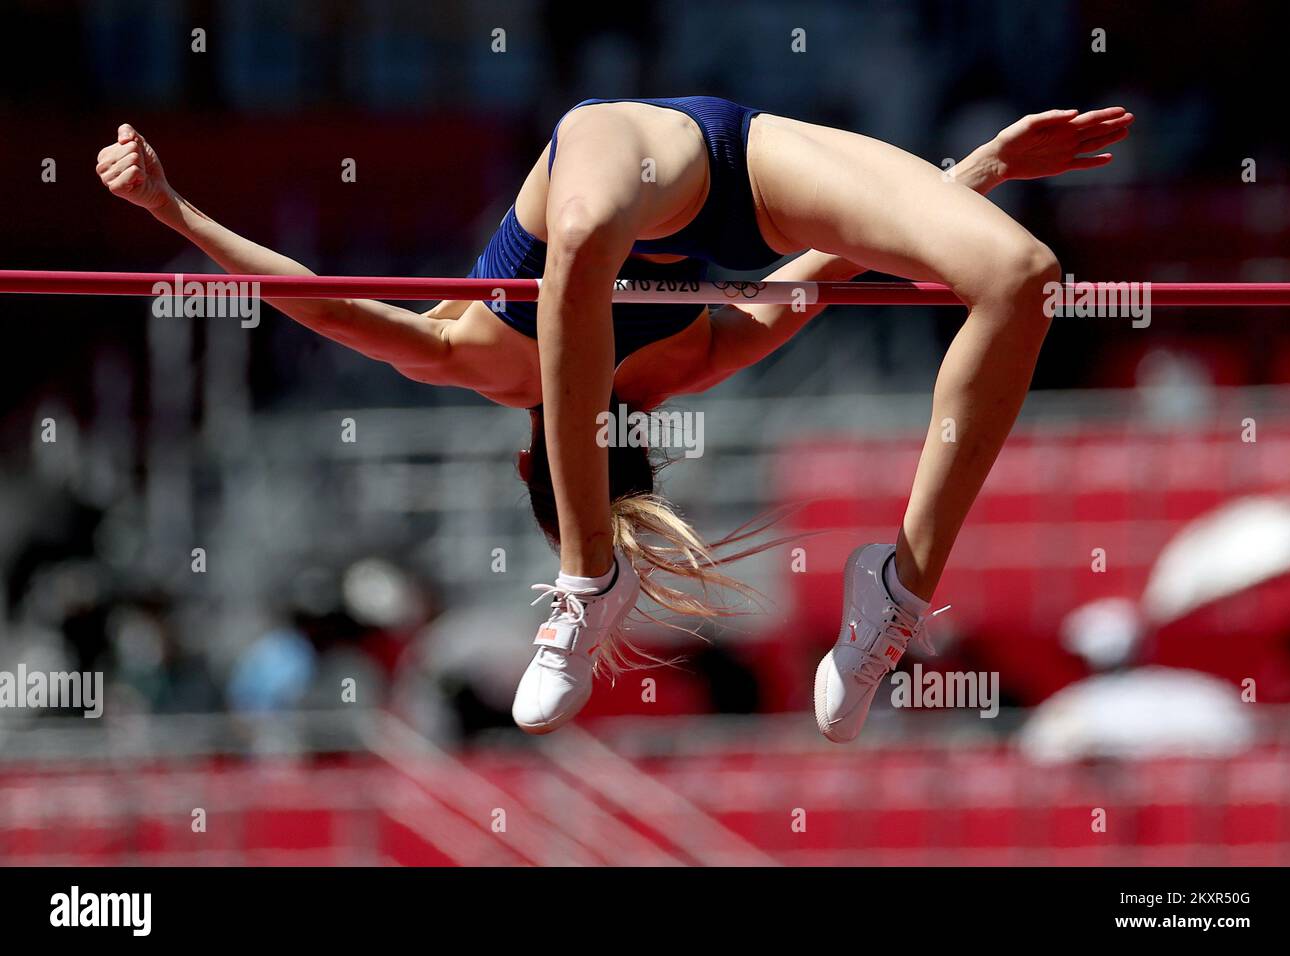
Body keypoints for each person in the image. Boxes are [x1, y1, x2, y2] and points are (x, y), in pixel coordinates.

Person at [96, 100, 1131, 739]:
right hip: (740, 174)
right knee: (1019, 274)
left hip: (639, 147)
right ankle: (897, 588)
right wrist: (980, 169)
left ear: (531, 456)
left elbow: (322, 302)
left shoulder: (483, 361)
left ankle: (590, 581)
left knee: (583, 241)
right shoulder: (695, 356)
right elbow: (831, 264)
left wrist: (173, 211)